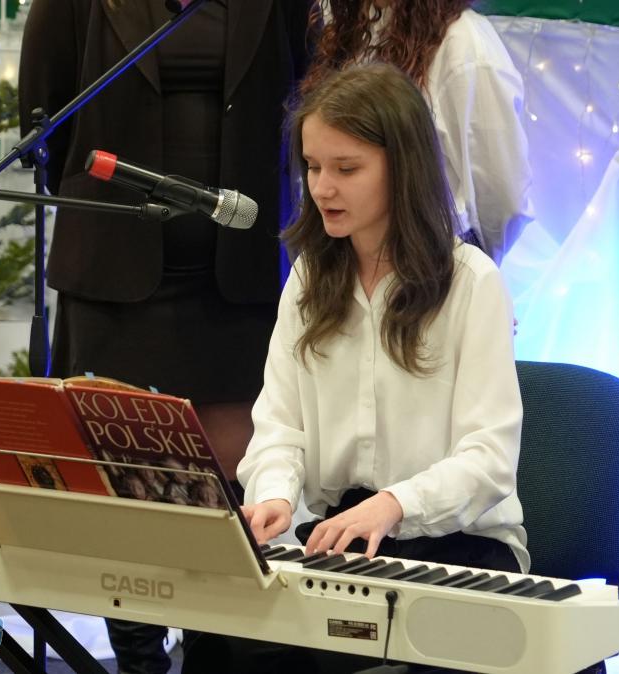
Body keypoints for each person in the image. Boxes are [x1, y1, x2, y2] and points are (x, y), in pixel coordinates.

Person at [184, 62, 528, 674]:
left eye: (346, 169)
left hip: (456, 546)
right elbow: (279, 427)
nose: (322, 188)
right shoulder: (308, 280)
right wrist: (274, 496)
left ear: (403, 169)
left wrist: (395, 503)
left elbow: (489, 458)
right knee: (217, 642)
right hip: (338, 540)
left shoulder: (472, 282)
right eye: (313, 167)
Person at [18, 1, 309, 672]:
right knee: (128, 487)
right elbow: (47, 123)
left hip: (238, 277)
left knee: (232, 484)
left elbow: (299, 97)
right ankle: (139, 661)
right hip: (114, 278)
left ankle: (213, 653)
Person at [302, 0, 533, 265]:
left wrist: (466, 271)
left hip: (432, 266)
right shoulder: (352, 29)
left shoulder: (464, 47)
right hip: (349, 262)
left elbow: (502, 198)